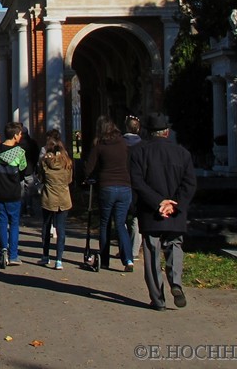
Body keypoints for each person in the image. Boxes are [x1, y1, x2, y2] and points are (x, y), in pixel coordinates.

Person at [130, 113, 197, 311]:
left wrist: (158, 202)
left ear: (148, 133)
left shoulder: (139, 153)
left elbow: (137, 182)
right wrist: (174, 205)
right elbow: (189, 183)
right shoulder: (182, 154)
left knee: (151, 251)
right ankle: (175, 282)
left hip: (151, 212)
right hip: (175, 214)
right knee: (175, 245)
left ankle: (158, 299)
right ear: (167, 132)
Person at [84, 116, 134, 272]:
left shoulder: (100, 146)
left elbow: (89, 168)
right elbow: (129, 164)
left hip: (107, 186)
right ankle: (128, 259)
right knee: (121, 223)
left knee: (105, 223)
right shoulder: (124, 145)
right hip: (125, 186)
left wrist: (89, 178)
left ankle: (104, 259)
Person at [0, 122, 28, 267]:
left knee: (2, 221)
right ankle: (13, 255)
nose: (21, 136)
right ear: (15, 135)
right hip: (13, 192)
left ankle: (3, 250)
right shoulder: (20, 152)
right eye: (19, 134)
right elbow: (24, 171)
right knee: (14, 223)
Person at [38, 133, 73, 269]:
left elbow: (41, 178)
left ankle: (45, 256)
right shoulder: (67, 162)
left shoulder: (44, 162)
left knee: (46, 227)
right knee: (61, 228)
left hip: (49, 197)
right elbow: (69, 180)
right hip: (64, 197)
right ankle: (59, 259)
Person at [123, 115, 143, 260]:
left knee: (120, 219)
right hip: (139, 186)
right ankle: (134, 250)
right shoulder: (143, 145)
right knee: (137, 219)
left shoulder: (120, 144)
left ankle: (125, 248)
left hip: (123, 183)